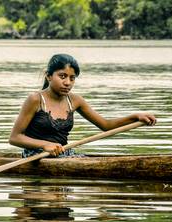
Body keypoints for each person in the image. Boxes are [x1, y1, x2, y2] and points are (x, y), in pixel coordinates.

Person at [9, 54, 156, 158]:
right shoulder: (35, 99)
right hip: (36, 156)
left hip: (63, 155)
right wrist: (44, 145)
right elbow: (15, 138)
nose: (67, 82)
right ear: (48, 76)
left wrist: (136, 117)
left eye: (72, 78)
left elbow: (106, 125)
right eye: (62, 76)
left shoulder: (75, 100)